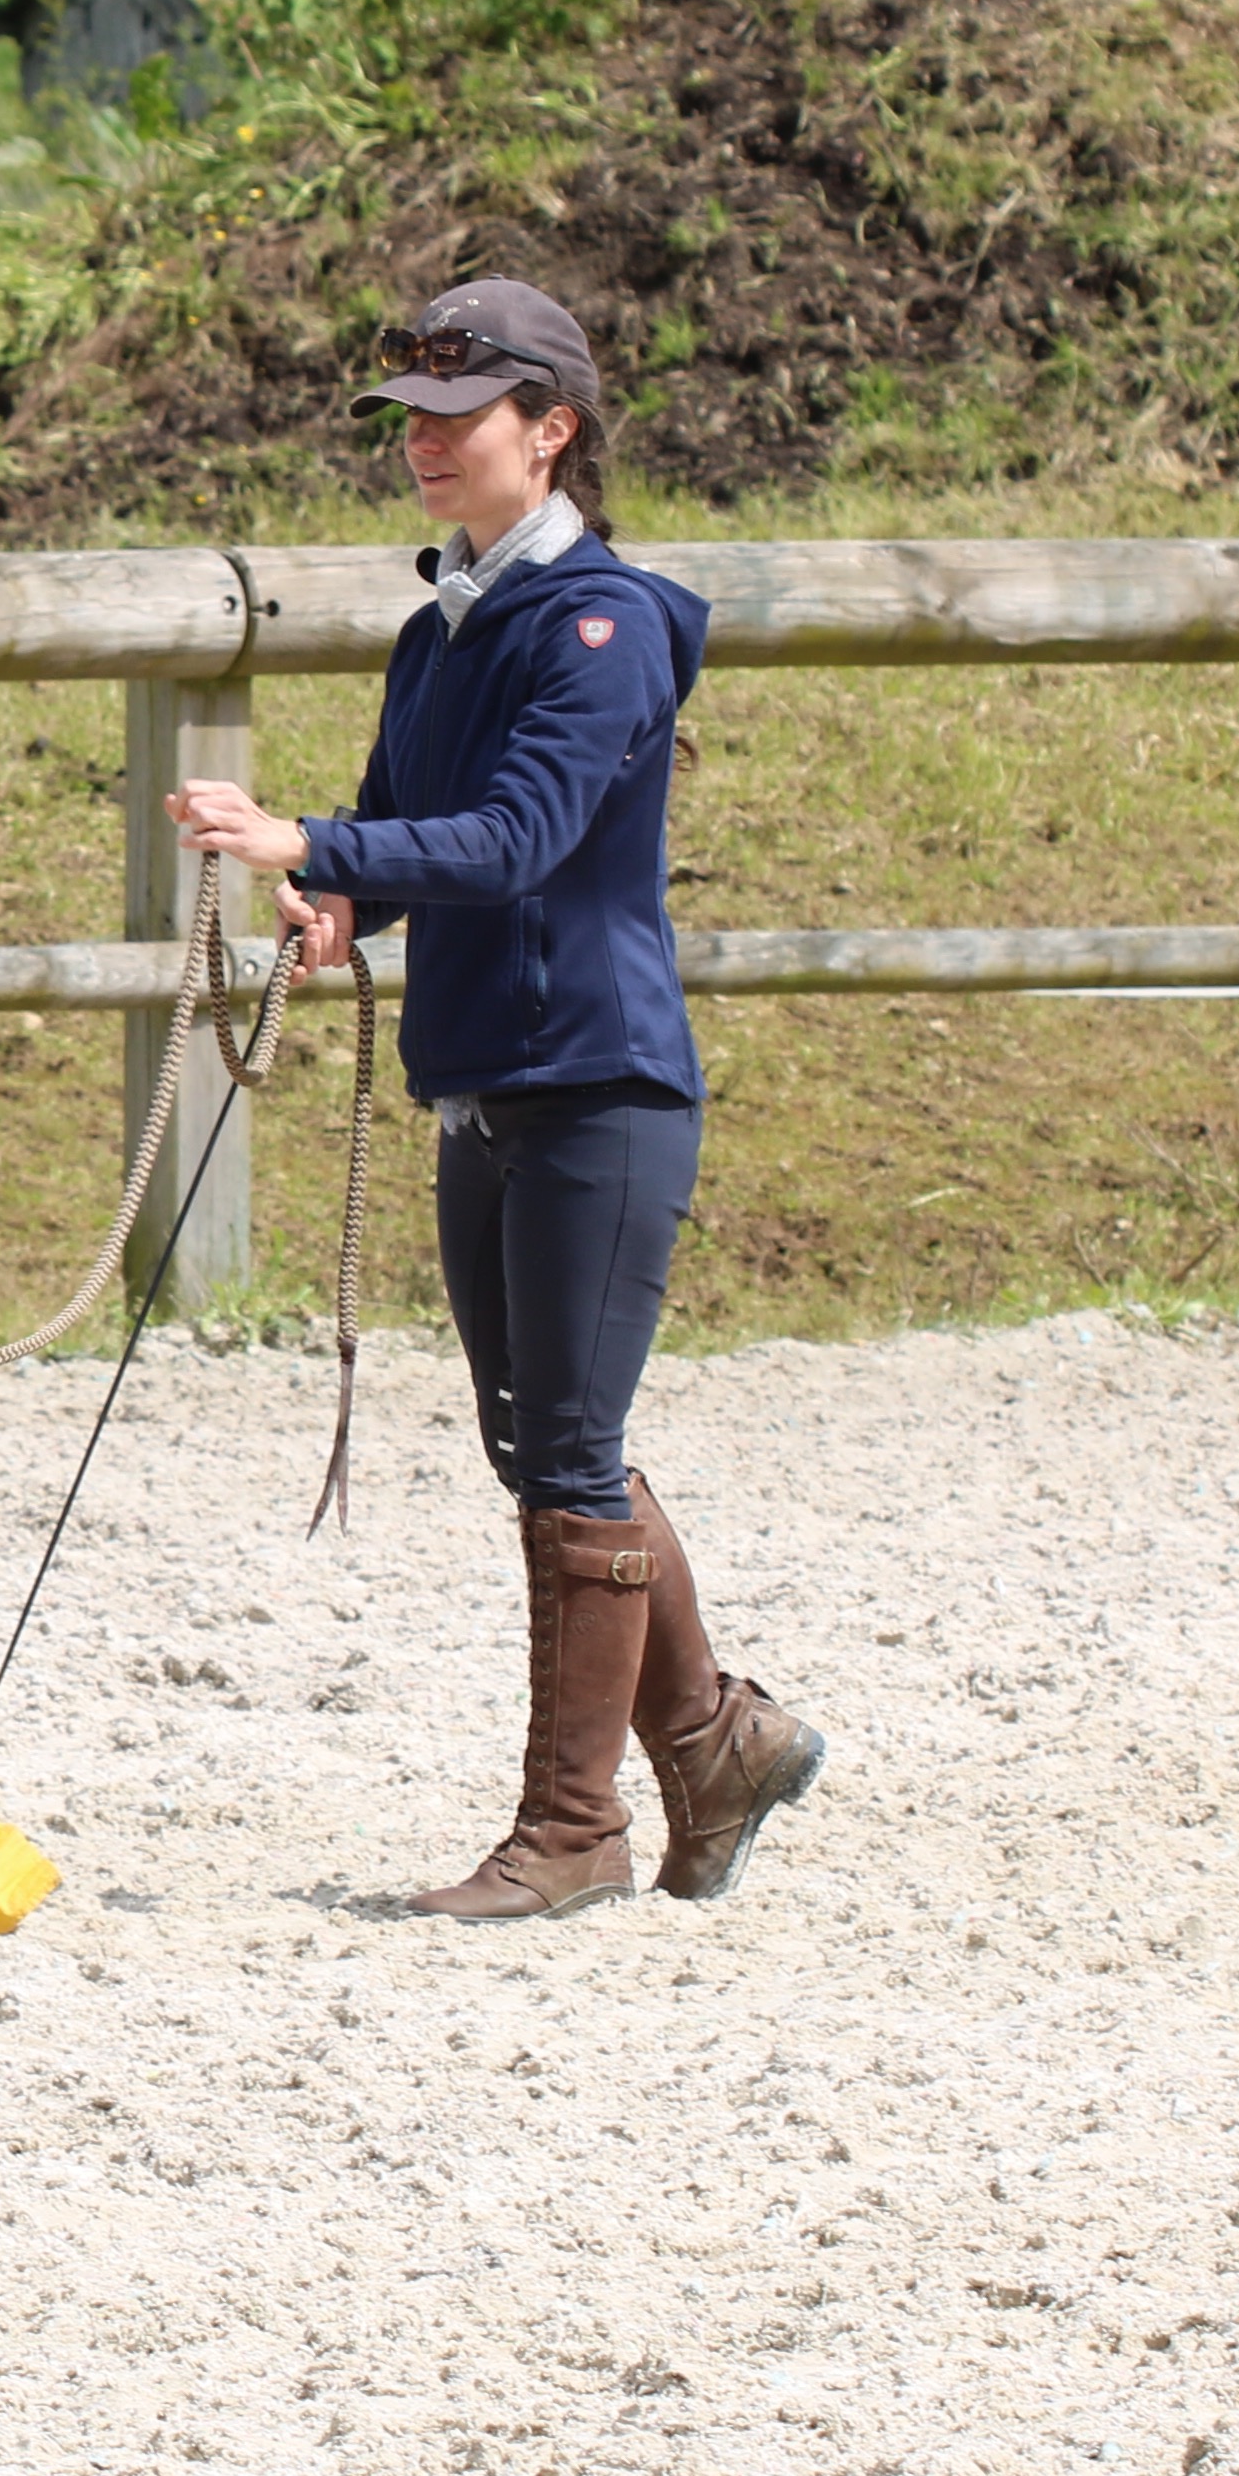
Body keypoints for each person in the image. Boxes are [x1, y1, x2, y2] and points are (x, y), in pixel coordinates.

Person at [164, 278, 826, 1920]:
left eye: (461, 420)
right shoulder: (440, 631)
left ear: (555, 432)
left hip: (599, 1084)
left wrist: (310, 844)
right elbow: (414, 833)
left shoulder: (598, 634)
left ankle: (575, 1828)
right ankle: (715, 1734)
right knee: (537, 1444)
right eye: (413, 419)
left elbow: (521, 840)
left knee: (571, 1452)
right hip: (481, 1083)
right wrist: (341, 903)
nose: (427, 445)